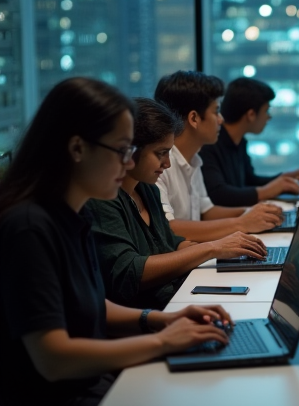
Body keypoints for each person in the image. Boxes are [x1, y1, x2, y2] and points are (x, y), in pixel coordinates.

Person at [0, 77, 236, 406]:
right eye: (123, 150)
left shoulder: (72, 215)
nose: (128, 163)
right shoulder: (29, 228)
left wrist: (160, 320)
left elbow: (90, 304)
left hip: (96, 380)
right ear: (78, 148)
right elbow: (53, 359)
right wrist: (163, 342)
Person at [88, 98, 267, 310]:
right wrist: (212, 248)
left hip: (174, 297)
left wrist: (226, 251)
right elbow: (128, 272)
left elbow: (171, 242)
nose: (167, 163)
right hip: (153, 311)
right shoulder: (103, 200)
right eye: (160, 153)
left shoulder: (147, 189)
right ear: (131, 150)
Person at [154, 70, 283, 242]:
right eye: (216, 112)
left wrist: (252, 212)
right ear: (194, 118)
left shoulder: (194, 158)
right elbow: (169, 227)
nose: (221, 119)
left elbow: (206, 211)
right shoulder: (159, 165)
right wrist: (241, 223)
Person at [200, 77, 299, 207]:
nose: (269, 117)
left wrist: (283, 178)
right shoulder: (209, 144)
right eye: (266, 111)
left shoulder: (239, 141)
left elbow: (249, 180)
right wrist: (266, 192)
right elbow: (219, 194)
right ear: (251, 114)